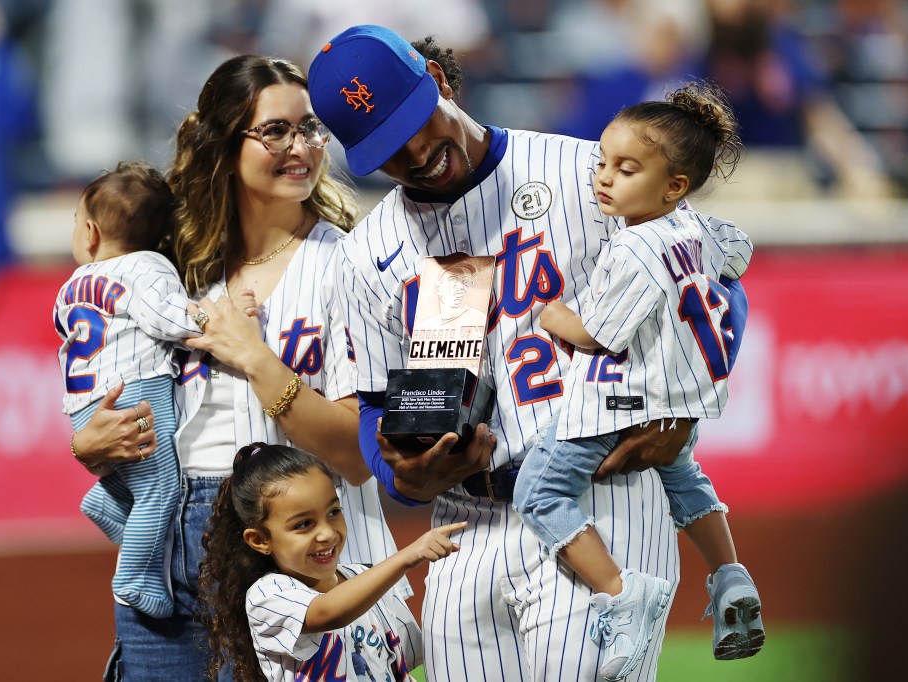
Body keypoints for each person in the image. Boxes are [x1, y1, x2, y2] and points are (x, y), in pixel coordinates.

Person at [309, 25, 750, 681]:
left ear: (438, 81)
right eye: (387, 149)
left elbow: (712, 288)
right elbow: (372, 404)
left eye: (416, 122)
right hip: (461, 531)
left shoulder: (586, 174)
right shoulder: (365, 255)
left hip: (602, 505)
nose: (414, 153)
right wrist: (402, 468)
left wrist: (677, 411)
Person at [68, 54, 404, 681]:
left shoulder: (353, 263)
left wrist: (256, 359)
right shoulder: (168, 267)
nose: (300, 145)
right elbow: (103, 381)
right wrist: (91, 443)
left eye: (309, 128)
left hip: (298, 542)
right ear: (224, 139)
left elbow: (358, 455)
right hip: (175, 530)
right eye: (275, 130)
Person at [513, 83, 764, 679]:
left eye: (626, 169)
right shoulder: (701, 230)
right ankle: (730, 573)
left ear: (673, 185)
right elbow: (741, 256)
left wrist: (552, 315)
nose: (604, 177)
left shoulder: (635, 246)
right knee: (687, 483)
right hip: (680, 400)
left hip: (617, 403)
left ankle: (621, 594)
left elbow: (598, 333)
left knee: (538, 494)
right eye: (603, 161)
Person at [56, 160, 241, 618]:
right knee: (162, 488)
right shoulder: (148, 266)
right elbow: (166, 317)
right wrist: (210, 315)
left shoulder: (72, 284)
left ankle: (109, 499)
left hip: (84, 405)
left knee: (143, 488)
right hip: (136, 393)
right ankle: (135, 576)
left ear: (92, 233)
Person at [199, 442, 464, 682]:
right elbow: (327, 612)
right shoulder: (267, 595)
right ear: (259, 540)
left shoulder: (364, 577)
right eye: (304, 524)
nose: (327, 533)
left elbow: (411, 658)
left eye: (333, 512)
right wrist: (407, 556)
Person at [416, 261, 488, 331]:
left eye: (464, 281)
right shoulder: (424, 327)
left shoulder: (479, 319)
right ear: (438, 288)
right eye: (453, 279)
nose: (460, 286)